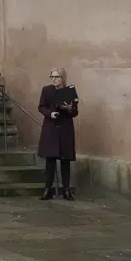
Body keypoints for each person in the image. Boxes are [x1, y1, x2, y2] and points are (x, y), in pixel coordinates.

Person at [38, 67, 79, 201]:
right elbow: (41, 107)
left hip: (65, 127)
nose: (54, 79)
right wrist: (50, 113)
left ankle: (66, 190)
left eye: (57, 77)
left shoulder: (70, 91)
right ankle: (47, 189)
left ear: (63, 78)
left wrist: (69, 108)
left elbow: (75, 112)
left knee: (65, 160)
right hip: (51, 127)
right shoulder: (46, 90)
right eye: (52, 77)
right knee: (50, 160)